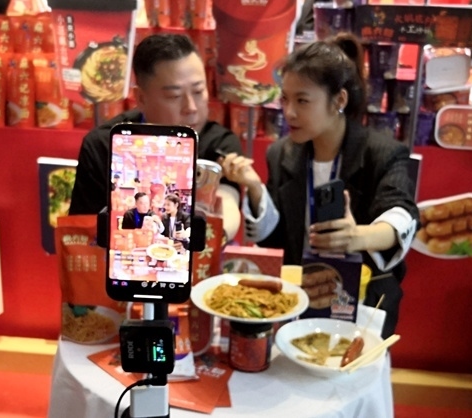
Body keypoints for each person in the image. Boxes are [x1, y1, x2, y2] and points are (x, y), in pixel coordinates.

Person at [220, 33, 420, 338]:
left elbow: (402, 215)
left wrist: (356, 236)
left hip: (362, 302)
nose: (289, 112)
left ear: (339, 100)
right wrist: (255, 188)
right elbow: (277, 238)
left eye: (302, 100)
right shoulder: (282, 154)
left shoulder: (382, 153)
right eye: (285, 99)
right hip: (301, 300)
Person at [68, 33, 244, 242]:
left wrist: (215, 235)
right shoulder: (104, 145)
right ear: (141, 98)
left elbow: (228, 200)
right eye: (174, 96)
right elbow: (84, 230)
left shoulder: (218, 143)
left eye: (198, 91)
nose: (191, 107)